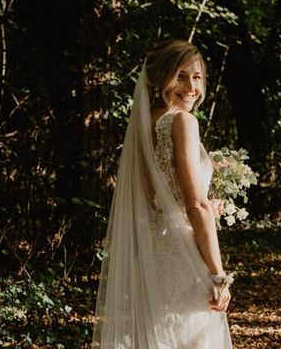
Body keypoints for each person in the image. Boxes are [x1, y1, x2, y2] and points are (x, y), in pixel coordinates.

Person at [92, 39, 233, 348]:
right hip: (182, 256)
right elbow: (195, 204)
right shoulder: (182, 121)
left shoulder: (145, 124)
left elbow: (161, 197)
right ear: (160, 78)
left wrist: (207, 205)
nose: (191, 86)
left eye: (197, 77)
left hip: (153, 253)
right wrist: (219, 276)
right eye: (180, 75)